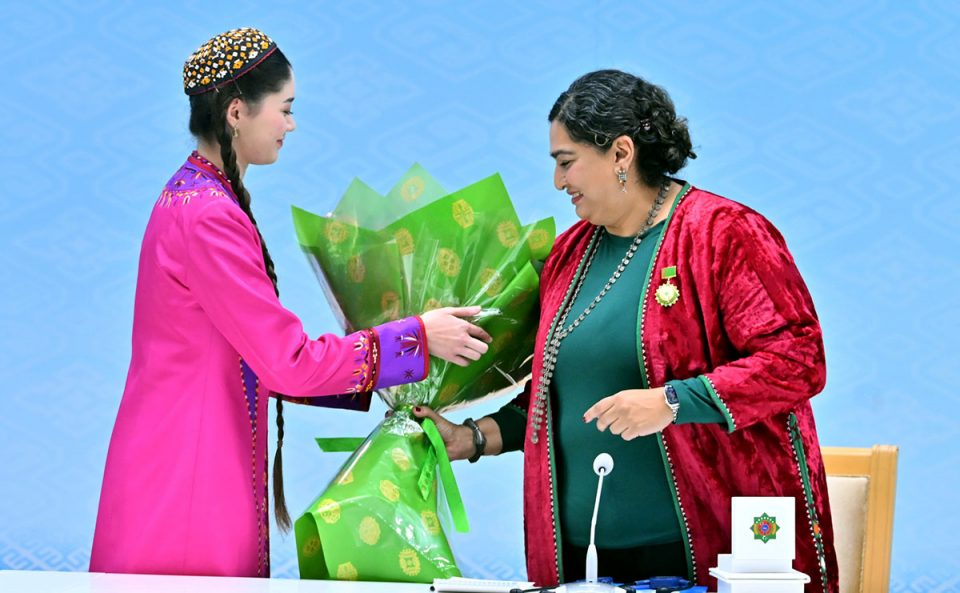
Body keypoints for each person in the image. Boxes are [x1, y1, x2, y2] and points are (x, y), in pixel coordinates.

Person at [415, 69, 838, 593]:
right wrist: (474, 437)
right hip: (578, 564)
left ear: (620, 153)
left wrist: (672, 402)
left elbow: (799, 359)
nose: (558, 182)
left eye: (566, 161)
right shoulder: (569, 254)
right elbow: (558, 398)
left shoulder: (724, 233)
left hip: (705, 557)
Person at [89, 28, 491, 578]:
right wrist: (417, 339)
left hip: (181, 456)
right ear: (237, 112)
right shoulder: (209, 216)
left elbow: (260, 361)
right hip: (190, 479)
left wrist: (389, 380)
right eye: (285, 108)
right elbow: (286, 362)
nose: (291, 124)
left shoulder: (194, 196)